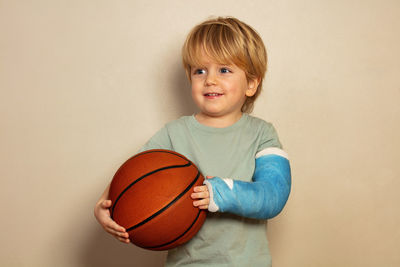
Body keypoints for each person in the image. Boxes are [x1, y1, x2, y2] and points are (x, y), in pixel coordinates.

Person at [94, 16, 291, 266]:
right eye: (200, 70)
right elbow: (132, 177)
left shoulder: (263, 134)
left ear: (251, 83)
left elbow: (274, 195)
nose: (210, 79)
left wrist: (220, 193)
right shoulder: (173, 133)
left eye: (224, 70)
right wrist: (103, 205)